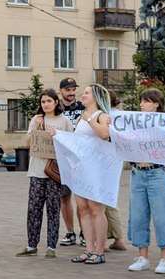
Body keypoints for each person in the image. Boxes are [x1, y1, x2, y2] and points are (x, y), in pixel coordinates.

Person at [126, 89, 165, 274]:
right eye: (141, 101)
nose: (142, 104)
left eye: (146, 101)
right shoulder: (133, 123)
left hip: (156, 173)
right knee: (138, 215)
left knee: (162, 215)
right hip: (137, 173)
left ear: (157, 104)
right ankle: (143, 257)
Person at [16, 89, 73, 259]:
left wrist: (57, 134)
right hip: (36, 171)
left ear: (56, 102)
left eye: (49, 101)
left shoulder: (64, 121)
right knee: (34, 208)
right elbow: (27, 142)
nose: (46, 104)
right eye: (43, 101)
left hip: (55, 172)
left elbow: (71, 143)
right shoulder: (36, 119)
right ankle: (31, 245)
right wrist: (36, 127)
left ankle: (51, 247)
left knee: (53, 209)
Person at [70, 84, 112, 265]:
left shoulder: (102, 116)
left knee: (96, 208)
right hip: (81, 168)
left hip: (96, 169)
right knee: (83, 209)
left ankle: (99, 251)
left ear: (95, 96)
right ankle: (88, 249)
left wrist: (89, 120)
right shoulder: (81, 116)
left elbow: (104, 134)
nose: (82, 95)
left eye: (86, 93)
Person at [58, 78, 84, 247]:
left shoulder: (83, 108)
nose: (71, 93)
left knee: (82, 199)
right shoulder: (56, 109)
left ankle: (85, 233)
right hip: (63, 160)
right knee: (64, 198)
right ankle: (70, 232)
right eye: (68, 90)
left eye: (73, 89)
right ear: (61, 91)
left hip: (81, 160)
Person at [105, 90, 127, 251]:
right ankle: (118, 238)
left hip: (104, 160)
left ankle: (104, 241)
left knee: (102, 201)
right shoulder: (121, 116)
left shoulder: (105, 115)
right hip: (117, 159)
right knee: (110, 199)